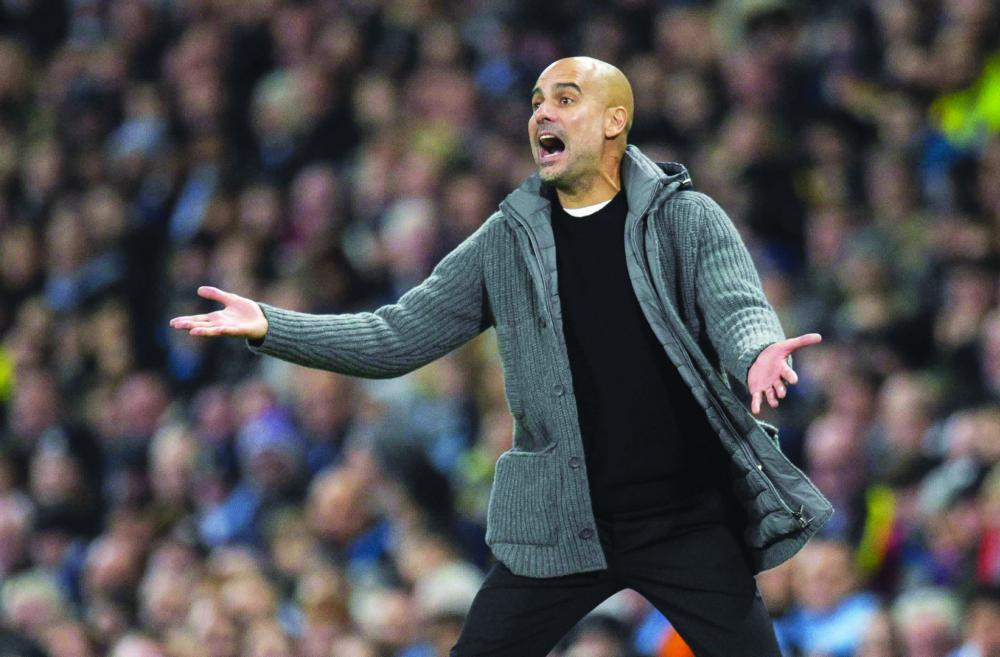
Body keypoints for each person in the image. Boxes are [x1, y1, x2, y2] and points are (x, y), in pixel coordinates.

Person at [170, 56, 833, 657]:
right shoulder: (505, 243)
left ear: (614, 121)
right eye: (536, 102)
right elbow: (395, 335)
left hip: (685, 517)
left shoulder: (686, 218)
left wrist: (757, 352)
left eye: (565, 99)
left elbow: (738, 308)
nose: (541, 113)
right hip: (560, 524)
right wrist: (272, 325)